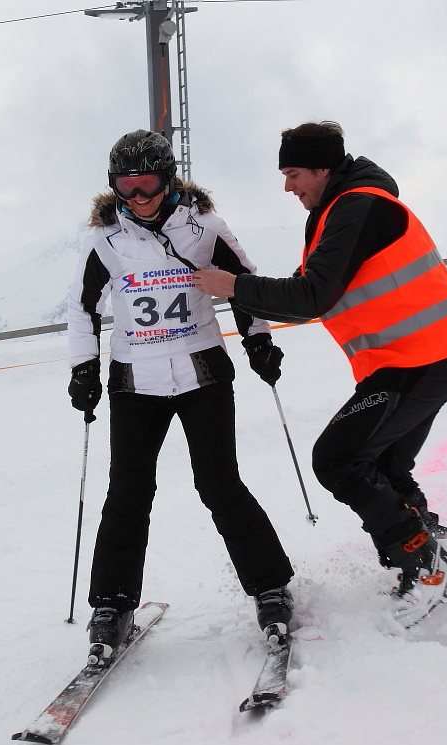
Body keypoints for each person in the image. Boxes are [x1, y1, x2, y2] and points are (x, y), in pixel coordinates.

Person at [190, 121, 447, 628]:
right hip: (422, 358)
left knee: (338, 459)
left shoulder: (356, 207)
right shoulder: (341, 208)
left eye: (294, 174)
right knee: (381, 462)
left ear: (323, 168)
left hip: (419, 359)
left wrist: (234, 286)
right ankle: (429, 550)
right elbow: (309, 292)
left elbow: (311, 297)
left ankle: (426, 567)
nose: (288, 187)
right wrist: (247, 296)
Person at [66, 129, 295, 664]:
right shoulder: (102, 239)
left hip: (202, 373)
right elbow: (82, 307)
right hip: (135, 381)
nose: (137, 196)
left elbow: (244, 281)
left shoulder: (204, 227)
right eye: (126, 185)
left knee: (219, 484)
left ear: (168, 179)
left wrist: (258, 340)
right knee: (128, 491)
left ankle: (270, 586)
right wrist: (83, 367)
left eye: (147, 183)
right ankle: (111, 604)